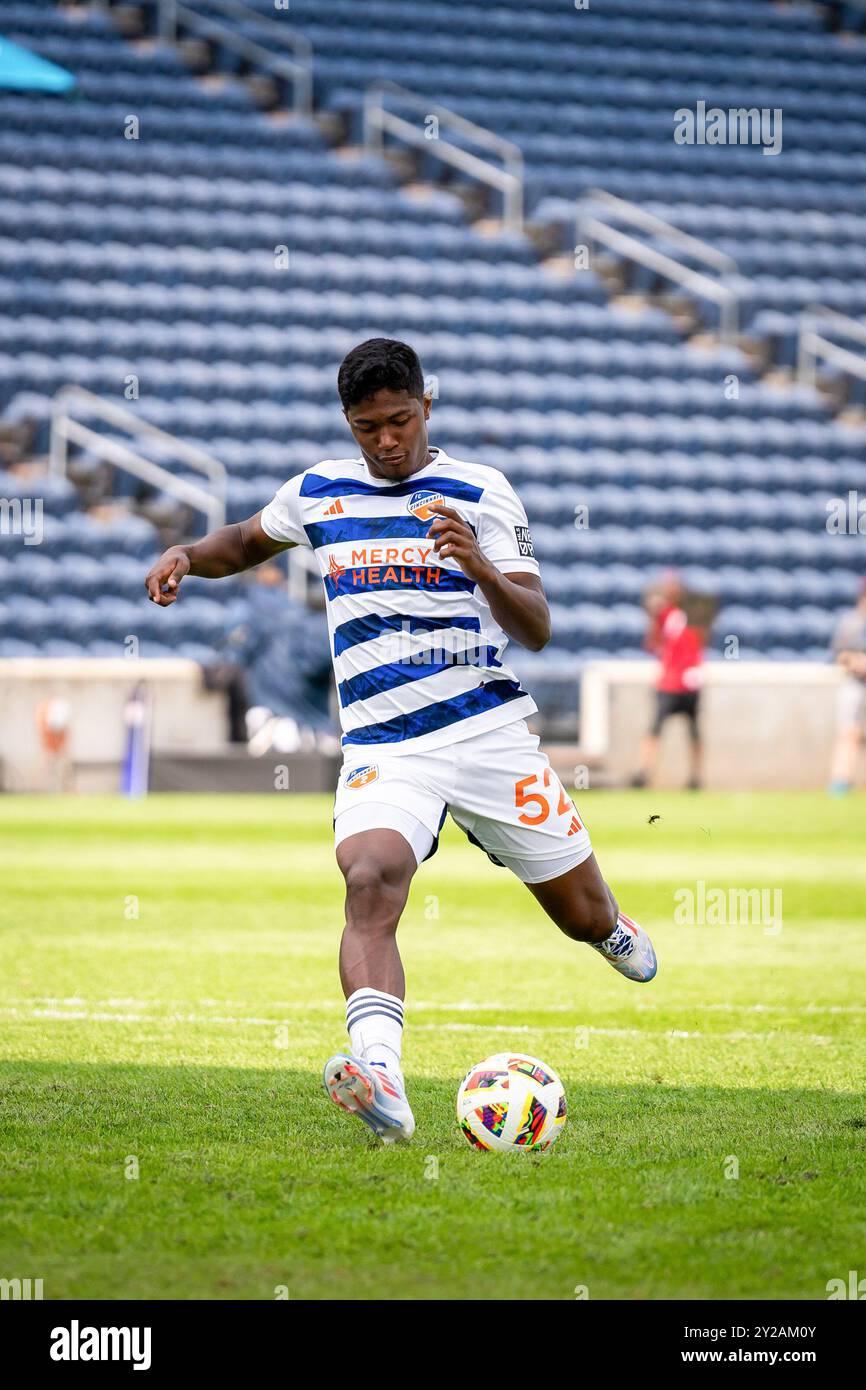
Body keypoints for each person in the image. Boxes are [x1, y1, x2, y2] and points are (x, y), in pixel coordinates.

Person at [144, 338, 657, 1144]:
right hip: (387, 747)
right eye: (367, 426)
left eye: (399, 420)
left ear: (427, 406)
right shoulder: (319, 492)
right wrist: (185, 554)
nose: (386, 440)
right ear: (349, 423)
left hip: (488, 735)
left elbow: (539, 628)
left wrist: (481, 565)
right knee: (370, 877)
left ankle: (612, 928)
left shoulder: (481, 490)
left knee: (584, 917)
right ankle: (381, 1075)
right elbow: (245, 541)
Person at [632, 570, 705, 791]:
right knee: (655, 729)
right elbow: (653, 643)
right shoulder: (665, 616)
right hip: (669, 683)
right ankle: (644, 773)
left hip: (689, 682)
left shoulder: (694, 616)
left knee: (694, 731)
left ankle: (695, 778)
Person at [828, 579, 866, 795]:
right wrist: (855, 662)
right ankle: (840, 780)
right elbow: (838, 654)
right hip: (855, 682)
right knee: (848, 731)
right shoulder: (851, 622)